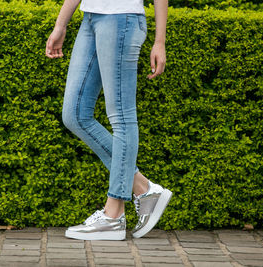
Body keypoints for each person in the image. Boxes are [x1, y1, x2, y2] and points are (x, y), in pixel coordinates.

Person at [45, 0, 172, 240]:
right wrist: (61, 24)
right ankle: (143, 189)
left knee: (122, 117)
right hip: (90, 18)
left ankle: (113, 216)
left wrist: (159, 41)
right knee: (74, 114)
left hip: (122, 19)